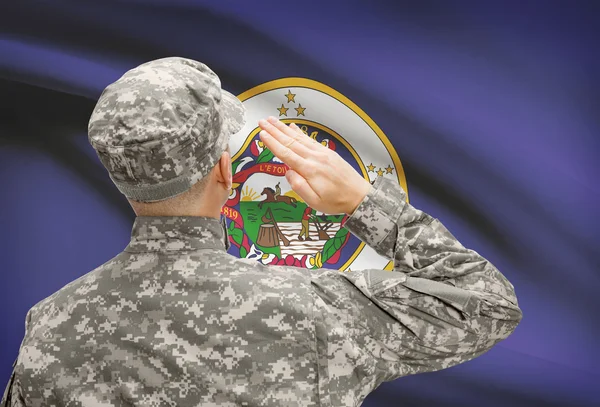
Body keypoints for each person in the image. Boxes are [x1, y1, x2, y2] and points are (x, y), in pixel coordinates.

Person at [1, 57, 522, 407]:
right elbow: (487, 304)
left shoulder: (50, 326)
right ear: (227, 171)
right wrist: (364, 203)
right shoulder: (316, 310)